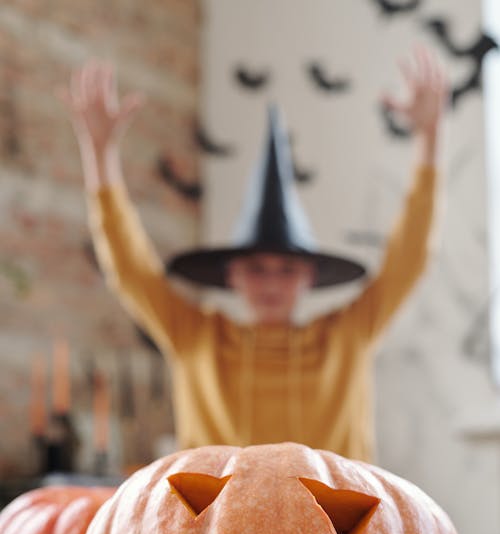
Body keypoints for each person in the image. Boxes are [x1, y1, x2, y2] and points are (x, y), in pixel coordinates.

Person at [61, 47, 447, 461]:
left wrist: (429, 140)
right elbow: (129, 269)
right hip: (217, 519)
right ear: (233, 275)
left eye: (286, 269)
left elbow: (408, 259)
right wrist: (99, 154)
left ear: (309, 276)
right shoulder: (195, 336)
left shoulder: (347, 335)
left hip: (335, 520)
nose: (271, 282)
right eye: (257, 269)